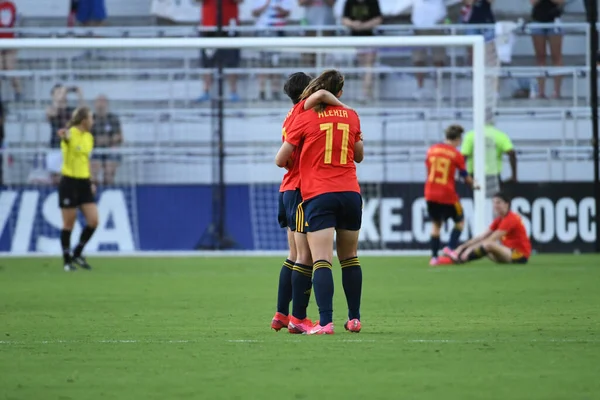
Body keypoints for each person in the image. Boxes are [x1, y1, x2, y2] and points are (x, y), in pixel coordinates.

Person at [276, 70, 364, 335]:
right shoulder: (351, 115)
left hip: (310, 192)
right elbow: (359, 155)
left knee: (309, 258)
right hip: (348, 191)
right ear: (340, 92)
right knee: (349, 258)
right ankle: (354, 317)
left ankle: (309, 319)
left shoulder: (302, 116)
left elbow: (281, 160)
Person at [425, 125, 476, 266]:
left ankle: (434, 258)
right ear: (458, 139)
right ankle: (450, 247)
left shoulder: (431, 150)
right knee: (460, 221)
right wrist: (474, 185)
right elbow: (465, 176)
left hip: (430, 192)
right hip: (447, 194)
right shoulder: (456, 154)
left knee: (436, 225)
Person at [57, 107, 99, 272]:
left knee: (93, 221)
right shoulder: (71, 133)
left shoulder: (89, 137)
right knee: (69, 223)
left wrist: (90, 181)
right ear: (84, 121)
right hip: (69, 182)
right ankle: (67, 261)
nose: (93, 121)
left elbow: (85, 160)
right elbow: (66, 138)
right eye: (91, 118)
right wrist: (64, 135)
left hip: (83, 182)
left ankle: (78, 253)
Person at [443, 192, 532, 265]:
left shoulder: (510, 219)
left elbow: (491, 240)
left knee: (488, 245)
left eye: (498, 202)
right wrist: (462, 247)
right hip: (507, 252)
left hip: (519, 255)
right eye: (494, 202)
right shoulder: (499, 219)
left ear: (507, 204)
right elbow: (481, 237)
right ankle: (456, 256)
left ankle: (460, 259)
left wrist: (469, 249)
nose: (495, 205)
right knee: (485, 247)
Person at [196, 0, 243, 102]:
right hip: (209, 26)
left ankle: (233, 92)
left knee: (232, 61)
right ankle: (206, 91)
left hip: (229, 26)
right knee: (207, 62)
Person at [342, 0, 383, 101]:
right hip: (354, 40)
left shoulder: (373, 2)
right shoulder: (350, 2)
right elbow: (344, 19)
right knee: (362, 66)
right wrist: (354, 24)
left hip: (369, 38)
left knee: (368, 65)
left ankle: (366, 93)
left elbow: (378, 19)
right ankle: (365, 92)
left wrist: (364, 25)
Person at [252, 0, 292, 101]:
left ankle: (275, 91)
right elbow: (254, 12)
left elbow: (287, 12)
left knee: (276, 63)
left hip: (277, 31)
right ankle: (262, 92)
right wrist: (266, 5)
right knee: (263, 63)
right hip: (262, 32)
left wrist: (278, 8)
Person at [461, 115, 517, 186]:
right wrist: (514, 175)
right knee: (492, 196)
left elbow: (463, 156)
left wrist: (463, 176)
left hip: (474, 174)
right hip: (493, 175)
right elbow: (512, 153)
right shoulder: (500, 135)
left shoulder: (470, 135)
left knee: (475, 196)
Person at [46, 84, 85, 185]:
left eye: (63, 92)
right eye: (58, 92)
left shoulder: (71, 110)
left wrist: (79, 95)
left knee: (70, 178)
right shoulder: (50, 109)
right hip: (55, 148)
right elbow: (52, 113)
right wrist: (61, 94)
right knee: (55, 179)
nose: (62, 95)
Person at [411, 0, 447, 100]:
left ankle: (438, 89)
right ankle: (420, 88)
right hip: (419, 26)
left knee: (438, 59)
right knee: (418, 59)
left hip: (437, 24)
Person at [530, 0, 565, 99]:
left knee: (556, 56)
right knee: (540, 57)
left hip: (554, 20)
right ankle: (540, 91)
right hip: (538, 20)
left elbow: (560, 1)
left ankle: (556, 91)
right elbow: (532, 2)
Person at [91, 95, 123, 185]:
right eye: (99, 102)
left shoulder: (113, 119)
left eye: (103, 102)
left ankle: (108, 189)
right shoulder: (90, 119)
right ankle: (94, 192)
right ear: (95, 104)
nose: (101, 105)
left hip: (110, 150)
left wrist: (108, 140)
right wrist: (96, 140)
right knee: (93, 169)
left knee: (109, 170)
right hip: (94, 150)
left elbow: (119, 137)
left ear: (107, 104)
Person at [0, 0, 21, 101]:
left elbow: (6, 22)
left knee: (10, 68)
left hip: (9, 41)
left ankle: (18, 91)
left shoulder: (9, 5)